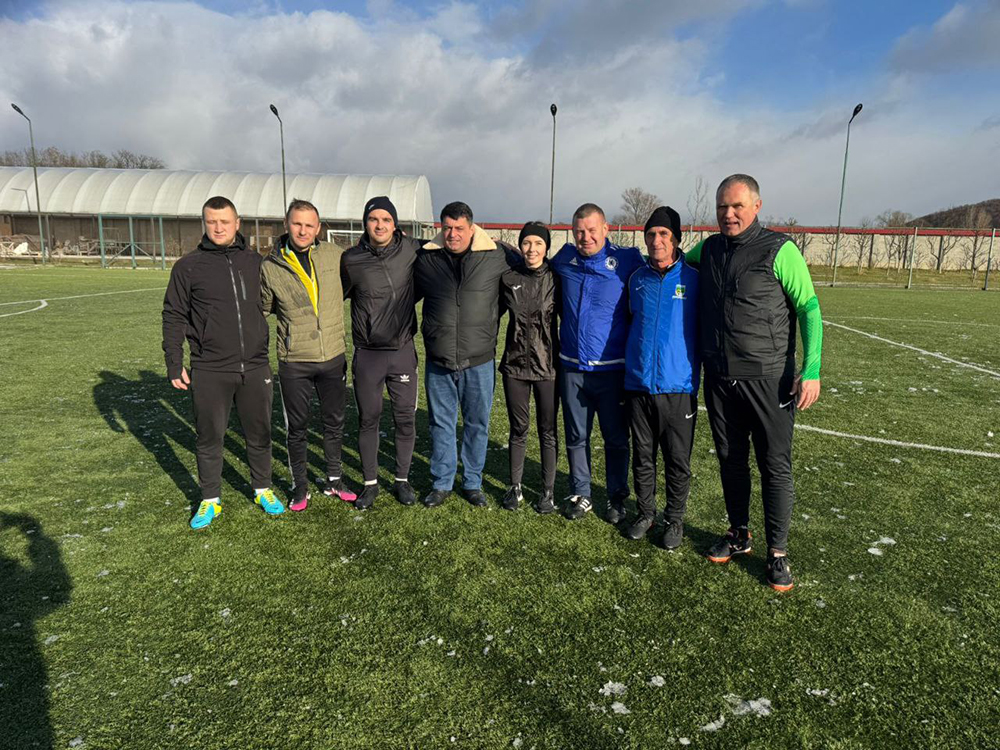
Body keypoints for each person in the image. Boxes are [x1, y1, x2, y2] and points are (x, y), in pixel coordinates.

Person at [685, 174, 822, 592]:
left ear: (757, 207)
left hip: (768, 379)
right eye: (722, 207)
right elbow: (672, 261)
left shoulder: (780, 249)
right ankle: (739, 534)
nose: (728, 214)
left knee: (774, 465)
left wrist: (811, 370)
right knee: (731, 461)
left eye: (737, 206)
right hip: (719, 378)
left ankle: (777, 552)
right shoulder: (708, 249)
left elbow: (809, 308)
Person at [162, 195, 283, 529]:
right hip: (210, 367)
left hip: (255, 365)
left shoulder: (256, 262)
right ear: (204, 223)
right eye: (212, 222)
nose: (218, 228)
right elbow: (173, 314)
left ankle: (262, 489)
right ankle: (210, 499)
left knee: (260, 433)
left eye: (225, 222)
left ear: (237, 223)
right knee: (209, 437)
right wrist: (174, 361)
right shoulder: (188, 267)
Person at [414, 201, 516, 508]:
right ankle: (442, 482)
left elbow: (530, 264)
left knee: (477, 424)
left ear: (472, 228)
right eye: (447, 228)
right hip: (439, 359)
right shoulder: (426, 258)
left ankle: (472, 482)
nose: (453, 234)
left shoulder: (497, 256)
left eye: (459, 228)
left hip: (479, 359)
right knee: (441, 423)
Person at [260, 198, 356, 513]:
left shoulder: (334, 255)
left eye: (309, 225)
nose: (303, 231)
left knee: (334, 422)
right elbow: (263, 308)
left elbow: (351, 286)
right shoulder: (270, 266)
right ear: (286, 224)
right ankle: (299, 485)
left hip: (333, 355)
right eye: (297, 224)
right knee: (297, 427)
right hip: (295, 360)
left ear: (318, 228)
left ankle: (334, 479)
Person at [550, 203, 644, 522]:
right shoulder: (565, 259)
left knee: (615, 438)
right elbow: (532, 261)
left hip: (612, 370)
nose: (585, 237)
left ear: (606, 228)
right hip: (572, 367)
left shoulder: (627, 260)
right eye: (579, 231)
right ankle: (582, 492)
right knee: (576, 436)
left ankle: (617, 497)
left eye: (592, 230)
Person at [623, 206, 700, 548]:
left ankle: (675, 520)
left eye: (664, 234)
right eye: (651, 234)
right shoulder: (636, 279)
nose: (656, 240)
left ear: (677, 239)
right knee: (642, 456)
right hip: (639, 384)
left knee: (677, 460)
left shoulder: (694, 280)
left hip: (678, 387)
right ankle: (646, 513)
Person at [341, 196, 420, 510]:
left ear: (395, 224)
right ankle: (370, 484)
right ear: (365, 223)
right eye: (374, 219)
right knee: (368, 419)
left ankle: (402, 480)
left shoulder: (412, 249)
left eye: (386, 219)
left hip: (401, 352)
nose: (380, 225)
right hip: (368, 355)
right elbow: (332, 295)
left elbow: (451, 242)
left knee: (405, 419)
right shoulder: (351, 259)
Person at [498, 221, 560, 513]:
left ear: (546, 247)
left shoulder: (557, 278)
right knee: (518, 429)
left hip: (548, 367)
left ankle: (548, 491)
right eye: (526, 243)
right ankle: (515, 487)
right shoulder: (508, 278)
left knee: (547, 430)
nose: (531, 249)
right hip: (514, 367)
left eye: (538, 243)